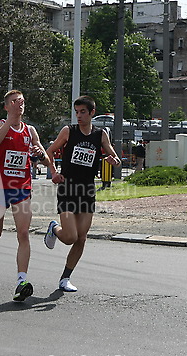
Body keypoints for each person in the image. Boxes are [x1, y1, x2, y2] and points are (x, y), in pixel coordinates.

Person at [0, 90, 49, 301]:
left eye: (21, 101)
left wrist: (40, 154)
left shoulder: (30, 131)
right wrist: (10, 120)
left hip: (22, 188)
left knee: (23, 233)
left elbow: (47, 160)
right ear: (6, 107)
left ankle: (21, 281)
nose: (19, 104)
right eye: (14, 102)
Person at [44, 96, 121, 292]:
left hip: (87, 190)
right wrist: (54, 173)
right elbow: (50, 152)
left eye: (82, 112)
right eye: (76, 112)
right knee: (70, 236)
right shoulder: (69, 131)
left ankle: (65, 278)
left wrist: (114, 160)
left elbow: (112, 154)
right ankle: (54, 229)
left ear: (92, 113)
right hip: (68, 187)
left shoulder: (100, 134)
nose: (78, 115)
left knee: (81, 238)